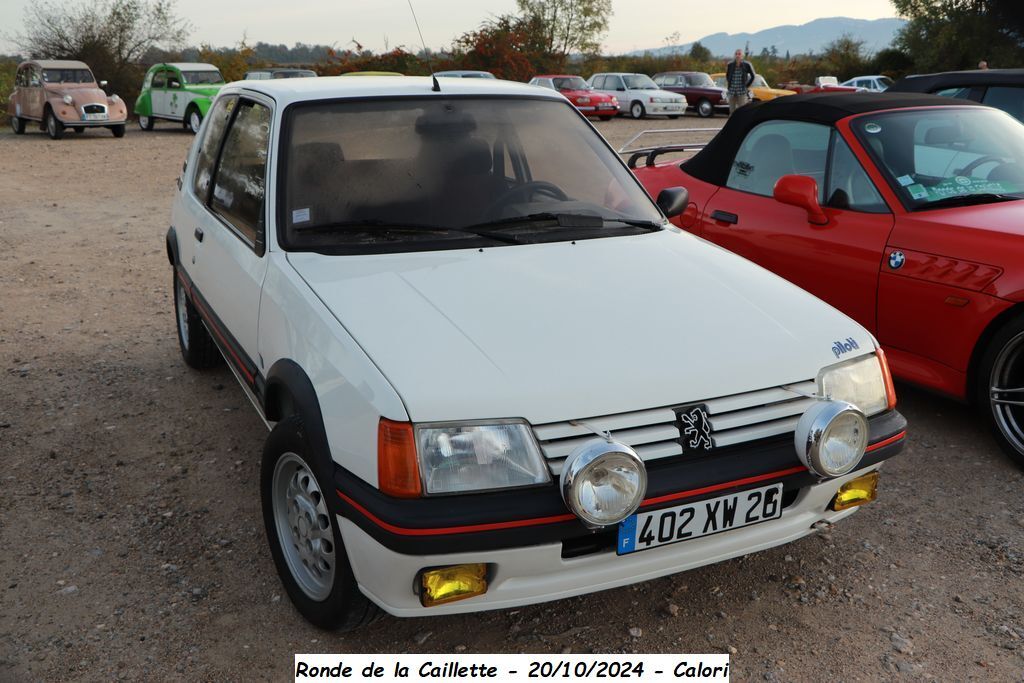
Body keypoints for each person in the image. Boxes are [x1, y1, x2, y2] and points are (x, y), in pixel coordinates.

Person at [726, 49, 756, 114]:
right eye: (736, 54)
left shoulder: (747, 65)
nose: (737, 55)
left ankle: (741, 124)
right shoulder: (730, 65)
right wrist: (730, 85)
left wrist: (746, 86)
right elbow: (727, 76)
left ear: (742, 56)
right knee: (731, 111)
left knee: (742, 112)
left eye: (739, 54)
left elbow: (753, 76)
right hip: (732, 91)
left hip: (742, 92)